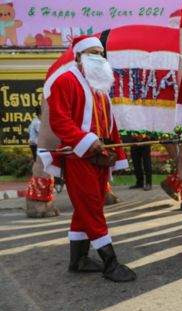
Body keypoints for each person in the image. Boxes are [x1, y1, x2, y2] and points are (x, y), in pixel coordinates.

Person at [43, 35, 136, 282]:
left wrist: (115, 153)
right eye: (92, 52)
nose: (98, 57)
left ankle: (79, 260)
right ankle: (110, 262)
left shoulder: (99, 85)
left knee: (84, 209)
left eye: (100, 53)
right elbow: (60, 121)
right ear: (78, 56)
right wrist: (87, 140)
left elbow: (110, 124)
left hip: (99, 157)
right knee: (93, 209)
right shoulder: (65, 81)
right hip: (78, 157)